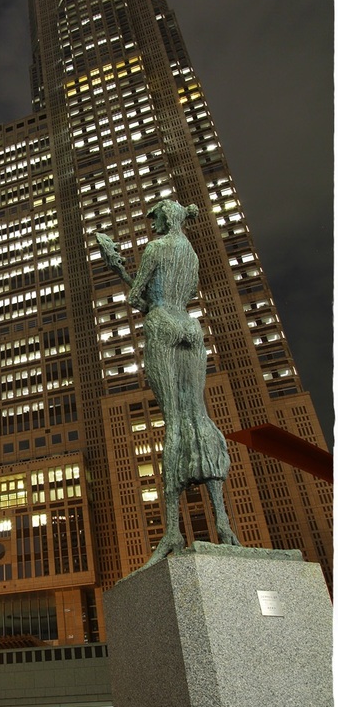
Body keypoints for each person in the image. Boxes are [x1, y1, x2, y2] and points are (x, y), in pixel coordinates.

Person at [97, 199, 239, 566]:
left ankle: (173, 529)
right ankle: (223, 524)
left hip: (162, 322)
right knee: (199, 414)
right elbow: (188, 293)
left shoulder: (155, 248)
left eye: (156, 217)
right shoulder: (190, 252)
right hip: (190, 325)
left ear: (167, 216)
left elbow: (138, 298)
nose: (153, 223)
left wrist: (119, 271)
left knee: (175, 421)